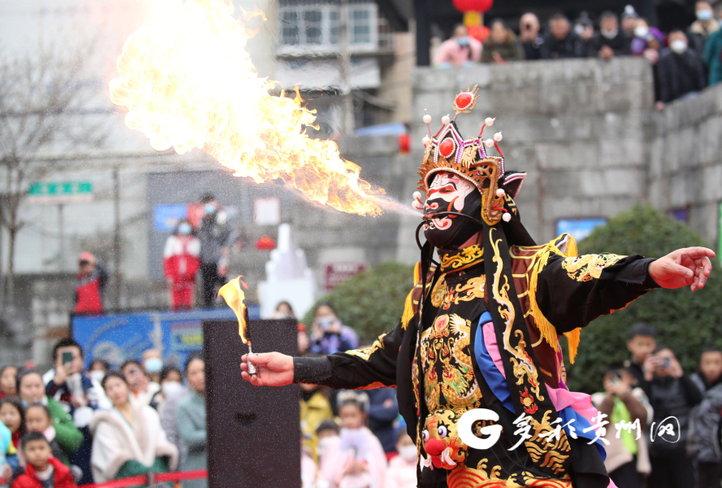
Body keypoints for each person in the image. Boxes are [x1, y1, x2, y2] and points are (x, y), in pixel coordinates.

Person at [239, 87, 716, 487]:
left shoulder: (525, 273)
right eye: (432, 192)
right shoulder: (427, 293)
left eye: (452, 189)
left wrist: (652, 270)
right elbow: (386, 359)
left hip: (524, 471)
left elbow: (590, 276)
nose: (437, 200)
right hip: (449, 470)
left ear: (488, 200)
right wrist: (299, 366)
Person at [90, 371, 178, 483]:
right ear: (106, 393)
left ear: (127, 386)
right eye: (110, 388)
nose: (115, 391)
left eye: (118, 385)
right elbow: (112, 458)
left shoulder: (148, 413)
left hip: (157, 478)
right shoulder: (104, 423)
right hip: (129, 481)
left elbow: (160, 442)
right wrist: (142, 473)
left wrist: (154, 471)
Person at [43, 339, 110, 485]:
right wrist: (55, 384)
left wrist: (88, 407)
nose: (70, 363)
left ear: (82, 360)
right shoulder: (47, 382)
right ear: (55, 362)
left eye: (74, 358)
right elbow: (42, 406)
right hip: (60, 448)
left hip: (88, 447)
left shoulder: (91, 382)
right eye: (65, 358)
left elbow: (106, 410)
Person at [644, 345, 703, 488]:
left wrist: (681, 376)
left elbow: (697, 399)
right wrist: (647, 376)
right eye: (659, 360)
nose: (663, 364)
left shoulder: (682, 382)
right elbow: (642, 406)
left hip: (682, 449)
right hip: (656, 451)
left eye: (667, 359)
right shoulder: (649, 383)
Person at [591, 365, 651, 487]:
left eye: (619, 378)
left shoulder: (637, 395)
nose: (615, 382)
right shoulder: (598, 399)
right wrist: (610, 398)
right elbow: (596, 425)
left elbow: (644, 418)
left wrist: (625, 395)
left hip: (633, 456)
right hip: (609, 458)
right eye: (611, 379)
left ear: (628, 379)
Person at [317, 392, 386, 488]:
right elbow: (327, 473)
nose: (349, 420)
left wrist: (365, 468)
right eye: (345, 416)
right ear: (340, 415)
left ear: (362, 415)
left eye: (353, 416)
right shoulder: (335, 443)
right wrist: (344, 471)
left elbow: (381, 471)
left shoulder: (371, 440)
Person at [17, 370, 83, 460]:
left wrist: (48, 424)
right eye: (28, 387)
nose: (34, 390)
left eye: (37, 386)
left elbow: (75, 440)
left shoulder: (52, 405)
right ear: (19, 390)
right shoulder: (15, 409)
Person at [688, 347, 722, 488]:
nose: (712, 367)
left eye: (717, 362)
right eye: (707, 363)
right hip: (693, 452)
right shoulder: (689, 384)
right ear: (700, 365)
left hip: (717, 452)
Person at [197, 194, 236, 308]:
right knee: (207, 286)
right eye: (205, 203)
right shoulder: (201, 222)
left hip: (219, 259)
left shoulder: (221, 219)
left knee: (223, 284)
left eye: (210, 202)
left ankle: (230, 307)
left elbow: (232, 234)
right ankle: (209, 310)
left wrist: (227, 247)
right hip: (205, 259)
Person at [655, 29, 707, 109]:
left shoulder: (693, 56)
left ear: (686, 41)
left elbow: (700, 77)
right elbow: (663, 82)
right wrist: (663, 100)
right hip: (674, 99)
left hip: (695, 95)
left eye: (680, 39)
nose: (678, 42)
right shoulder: (664, 60)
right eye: (674, 40)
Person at [176, 354, 206, 488]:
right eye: (194, 373)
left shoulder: (224, 401)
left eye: (203, 370)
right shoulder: (184, 406)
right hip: (197, 472)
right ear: (187, 378)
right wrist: (221, 432)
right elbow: (189, 437)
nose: (200, 376)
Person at [11, 432, 77, 488]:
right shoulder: (21, 481)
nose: (37, 453)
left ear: (50, 450)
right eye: (32, 449)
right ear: (23, 454)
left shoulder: (64, 473)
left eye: (41, 448)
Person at [163, 220, 200, 311]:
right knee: (175, 304)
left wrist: (190, 273)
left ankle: (189, 323)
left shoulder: (194, 242)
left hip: (189, 278)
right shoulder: (172, 241)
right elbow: (167, 260)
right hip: (175, 278)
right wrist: (169, 275)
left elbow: (196, 261)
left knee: (188, 303)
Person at [300, 378, 334, 463]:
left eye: (311, 375)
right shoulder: (288, 402)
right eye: (303, 373)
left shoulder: (325, 403)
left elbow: (329, 433)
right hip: (295, 456)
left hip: (319, 458)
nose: (307, 378)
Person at [624, 322, 657, 393]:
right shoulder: (626, 370)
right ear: (630, 345)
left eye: (648, 344)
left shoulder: (659, 366)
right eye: (640, 344)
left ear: (654, 345)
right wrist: (648, 376)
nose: (644, 349)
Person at [365, 387, 398, 457]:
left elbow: (393, 411)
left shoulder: (387, 388)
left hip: (389, 445)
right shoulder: (358, 387)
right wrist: (382, 408)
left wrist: (367, 411)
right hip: (367, 446)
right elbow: (355, 410)